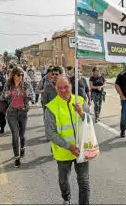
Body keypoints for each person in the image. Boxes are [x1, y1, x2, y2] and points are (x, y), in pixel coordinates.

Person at [44, 76, 89, 205]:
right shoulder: (51, 107)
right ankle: (66, 197)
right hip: (63, 152)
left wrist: (81, 113)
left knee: (84, 181)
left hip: (81, 149)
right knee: (64, 180)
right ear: (55, 88)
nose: (63, 90)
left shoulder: (80, 100)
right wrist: (69, 147)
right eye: (60, 88)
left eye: (66, 87)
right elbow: (50, 133)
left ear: (71, 86)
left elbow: (90, 121)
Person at [0, 67, 35, 167]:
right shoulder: (8, 85)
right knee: (15, 135)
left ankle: (22, 147)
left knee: (22, 135)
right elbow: (2, 97)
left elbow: (32, 95)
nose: (21, 77)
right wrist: (7, 94)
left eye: (22, 75)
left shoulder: (25, 85)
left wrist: (31, 98)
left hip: (23, 112)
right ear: (14, 75)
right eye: (19, 75)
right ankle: (17, 157)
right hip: (11, 112)